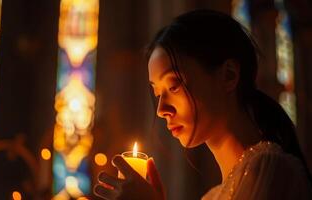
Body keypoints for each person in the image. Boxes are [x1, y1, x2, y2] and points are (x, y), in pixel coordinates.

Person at [94, 9, 312, 200]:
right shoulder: (212, 196)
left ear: (229, 75)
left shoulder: (269, 170)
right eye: (157, 92)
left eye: (175, 85)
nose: (161, 110)